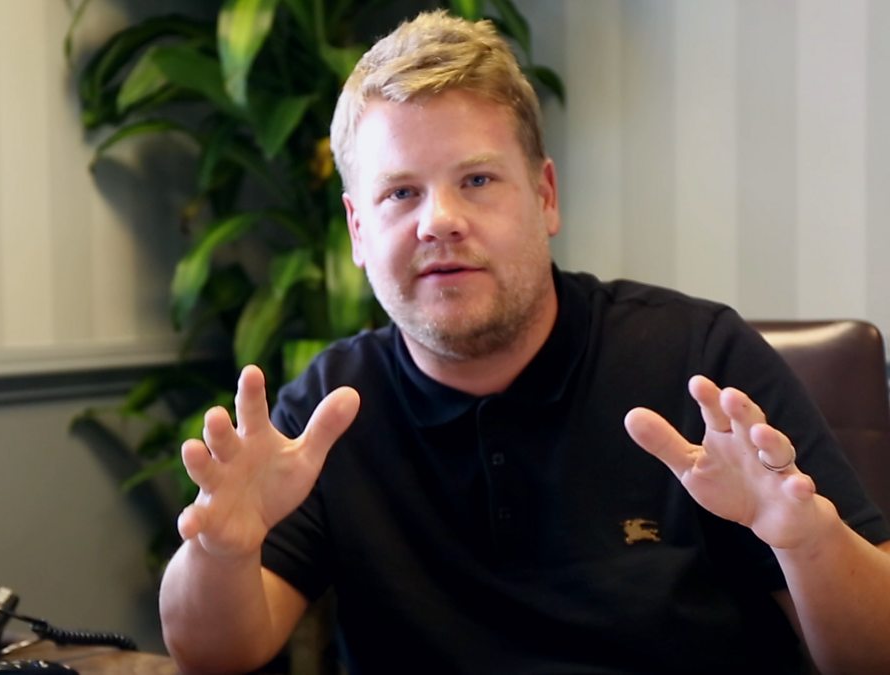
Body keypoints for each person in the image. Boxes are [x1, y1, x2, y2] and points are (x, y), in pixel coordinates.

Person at [158, 10, 890, 675]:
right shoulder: (330, 409)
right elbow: (213, 654)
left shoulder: (700, 362)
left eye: (477, 180)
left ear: (545, 197)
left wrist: (807, 542)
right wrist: (219, 551)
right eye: (401, 193)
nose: (438, 221)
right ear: (357, 229)